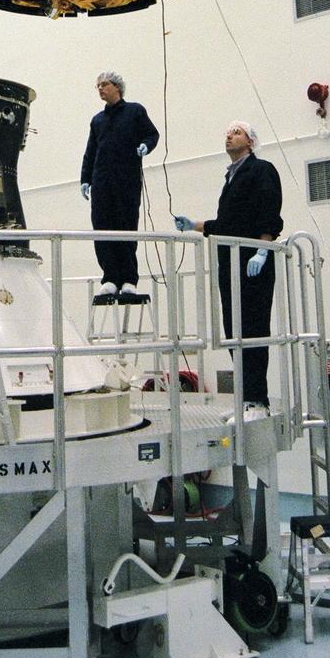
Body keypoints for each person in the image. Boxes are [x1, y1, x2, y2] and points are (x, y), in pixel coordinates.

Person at [174, 121, 282, 415]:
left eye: (236, 132)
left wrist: (263, 249)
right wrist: (194, 225)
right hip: (229, 263)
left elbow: (268, 211)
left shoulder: (262, 170)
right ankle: (246, 399)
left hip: (251, 263)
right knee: (233, 331)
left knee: (253, 330)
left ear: (250, 142)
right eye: (227, 132)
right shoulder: (231, 178)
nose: (228, 135)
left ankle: (258, 401)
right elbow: (228, 224)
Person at [80, 71, 159, 298]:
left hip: (127, 180)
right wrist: (85, 179)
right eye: (98, 86)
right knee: (103, 227)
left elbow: (152, 134)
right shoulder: (97, 120)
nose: (100, 89)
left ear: (117, 87)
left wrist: (145, 145)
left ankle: (128, 278)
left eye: (104, 84)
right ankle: (110, 277)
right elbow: (90, 152)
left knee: (126, 226)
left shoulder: (135, 111)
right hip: (102, 181)